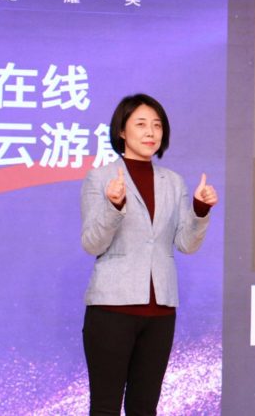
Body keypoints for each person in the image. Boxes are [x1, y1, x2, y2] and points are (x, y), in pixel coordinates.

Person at [80, 93, 218, 415]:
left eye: (157, 125)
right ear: (122, 131)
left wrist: (200, 210)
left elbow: (186, 244)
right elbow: (92, 244)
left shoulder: (174, 182)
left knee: (144, 407)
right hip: (111, 309)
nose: (150, 132)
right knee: (105, 406)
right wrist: (114, 206)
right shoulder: (100, 178)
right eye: (141, 124)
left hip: (161, 312)